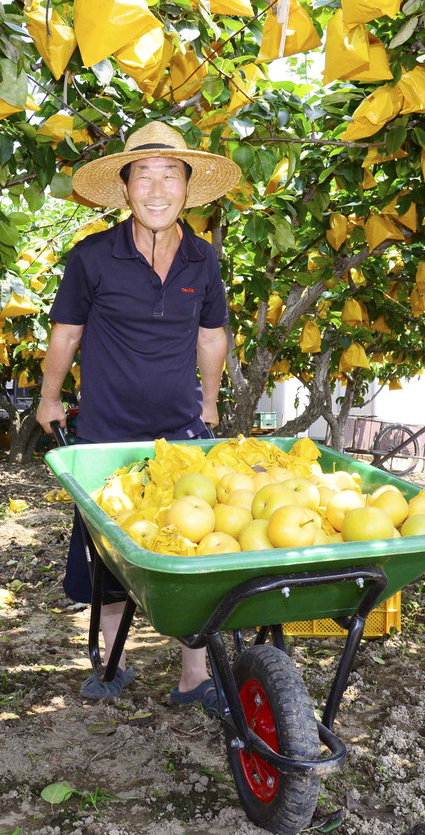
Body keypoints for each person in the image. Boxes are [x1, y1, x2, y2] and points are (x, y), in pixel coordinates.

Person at [36, 120, 241, 707]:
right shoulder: (92, 256)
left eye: (170, 174)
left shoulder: (203, 259)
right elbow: (66, 333)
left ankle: (193, 677)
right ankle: (113, 665)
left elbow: (211, 337)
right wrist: (49, 398)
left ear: (187, 185)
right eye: (143, 175)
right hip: (104, 431)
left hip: (178, 432)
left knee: (196, 542)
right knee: (107, 555)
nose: (157, 188)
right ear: (125, 187)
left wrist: (208, 401)